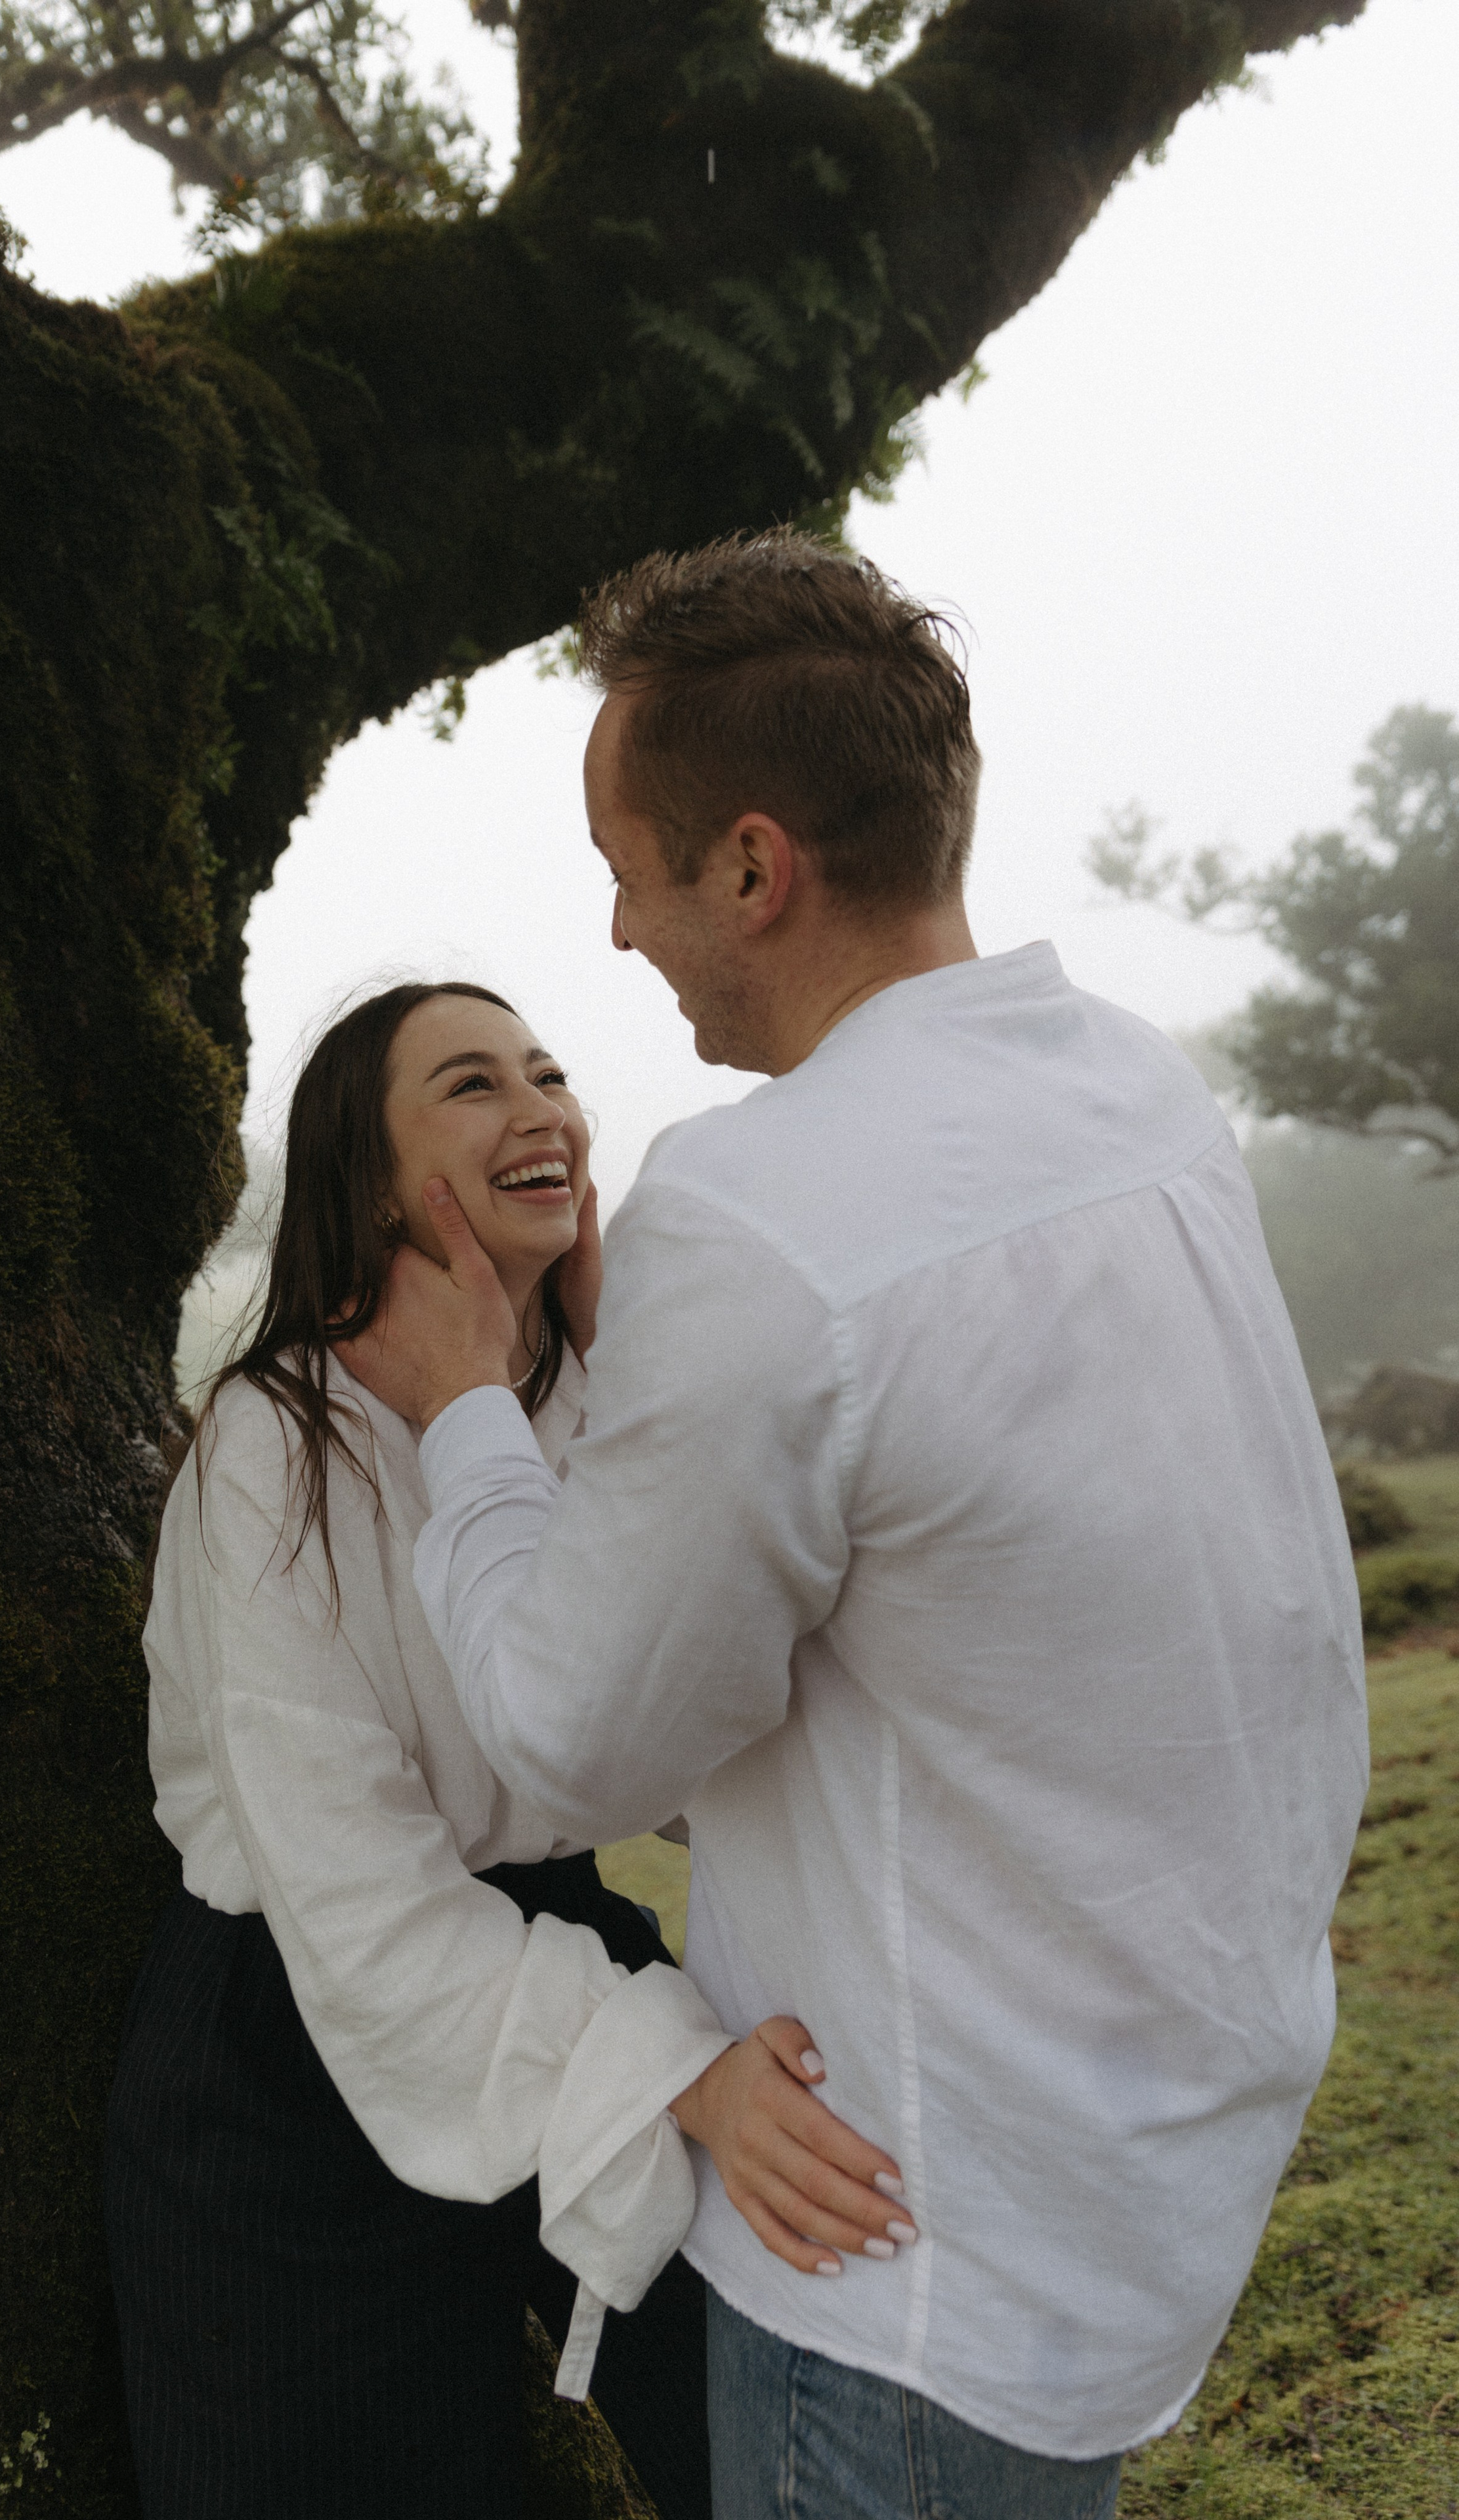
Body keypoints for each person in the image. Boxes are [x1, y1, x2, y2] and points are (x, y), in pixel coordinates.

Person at [337, 534, 1371, 2520]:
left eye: (628, 867)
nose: (622, 934)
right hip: (1148, 2149)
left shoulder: (760, 1216)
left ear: (749, 866)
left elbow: (568, 1736)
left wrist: (470, 1403)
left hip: (908, 2250)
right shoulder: (1136, 1092)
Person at [106, 977, 908, 2520]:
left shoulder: (599, 1395)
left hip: (562, 1955)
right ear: (370, 1179)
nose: (537, 1107)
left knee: (768, 2423)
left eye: (545, 1073)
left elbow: (713, 1736)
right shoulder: (277, 1447)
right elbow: (357, 1903)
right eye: (472, 1086)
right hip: (287, 2053)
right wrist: (682, 2079)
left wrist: (646, 1403)